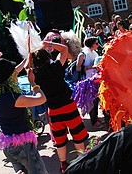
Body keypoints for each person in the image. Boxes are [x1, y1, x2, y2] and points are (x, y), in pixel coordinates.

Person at [32, 41, 89, 173]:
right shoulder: (56, 67)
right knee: (77, 136)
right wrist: (47, 43)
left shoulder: (35, 75)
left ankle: (63, 165)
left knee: (60, 140)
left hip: (53, 110)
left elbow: (29, 71)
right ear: (47, 57)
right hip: (68, 106)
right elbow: (64, 50)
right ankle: (82, 161)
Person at [0, 58, 48, 173]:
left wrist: (26, 59)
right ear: (10, 76)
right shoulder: (12, 97)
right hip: (22, 146)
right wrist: (33, 83)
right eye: (13, 71)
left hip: (9, 145)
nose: (16, 73)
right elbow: (42, 99)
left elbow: (15, 71)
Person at [76, 37, 102, 127]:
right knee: (91, 101)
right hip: (87, 81)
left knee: (96, 100)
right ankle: (94, 121)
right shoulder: (83, 54)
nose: (98, 45)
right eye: (96, 43)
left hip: (95, 79)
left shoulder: (94, 53)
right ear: (91, 44)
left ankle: (96, 117)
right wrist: (90, 67)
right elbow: (78, 68)